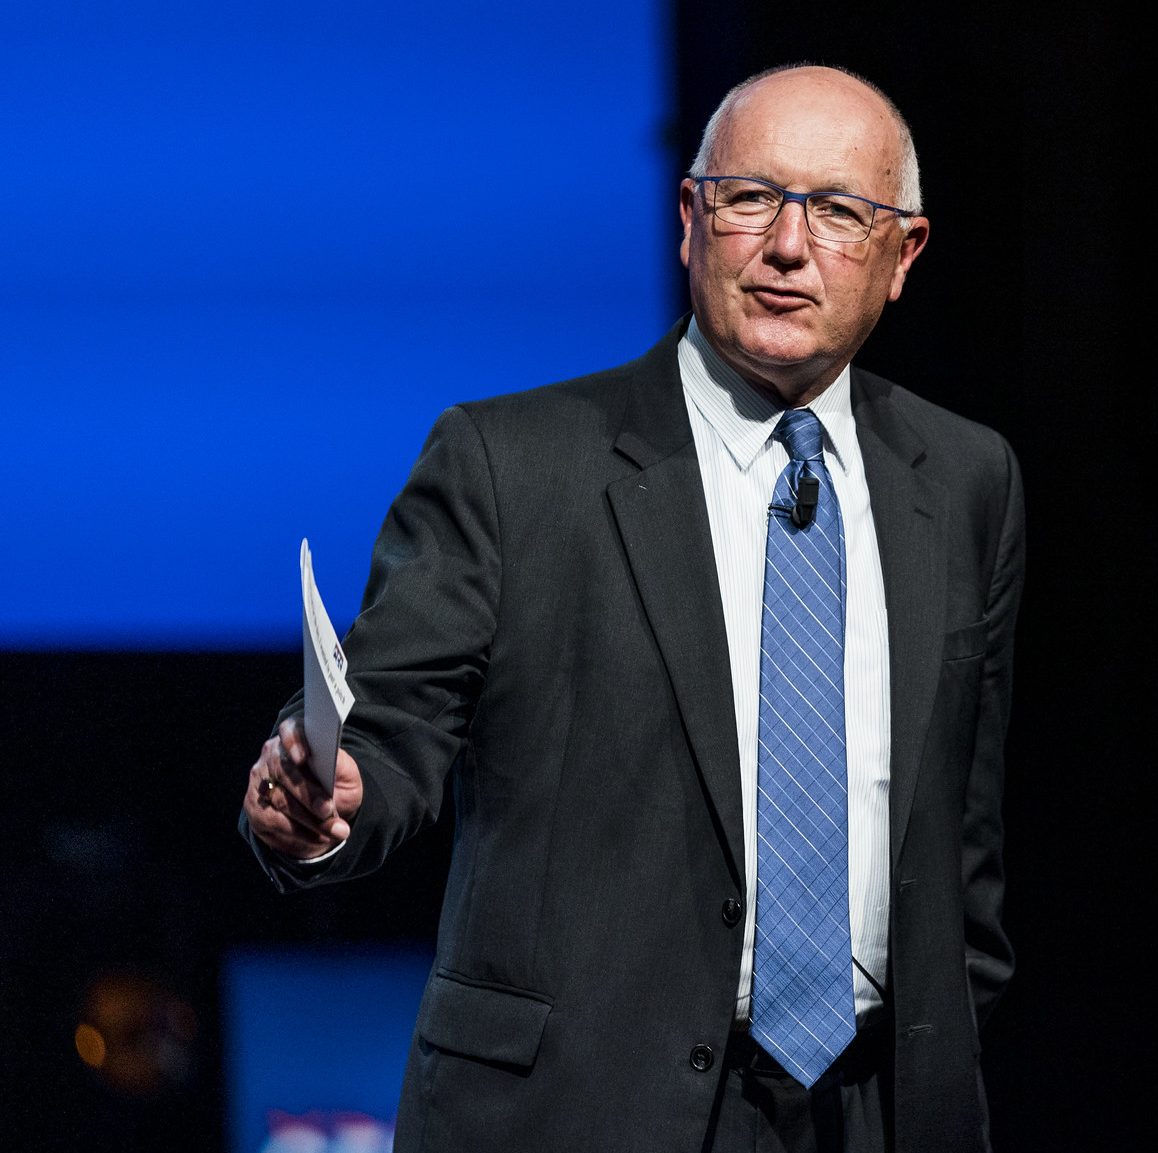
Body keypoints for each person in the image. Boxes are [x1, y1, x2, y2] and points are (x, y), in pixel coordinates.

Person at [237, 64, 1021, 1153]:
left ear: (903, 256)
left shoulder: (967, 477)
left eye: (840, 211)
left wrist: (944, 1052)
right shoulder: (511, 464)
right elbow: (390, 725)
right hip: (579, 1106)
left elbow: (962, 838)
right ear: (691, 219)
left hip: (875, 1111)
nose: (789, 246)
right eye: (751, 198)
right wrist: (327, 801)